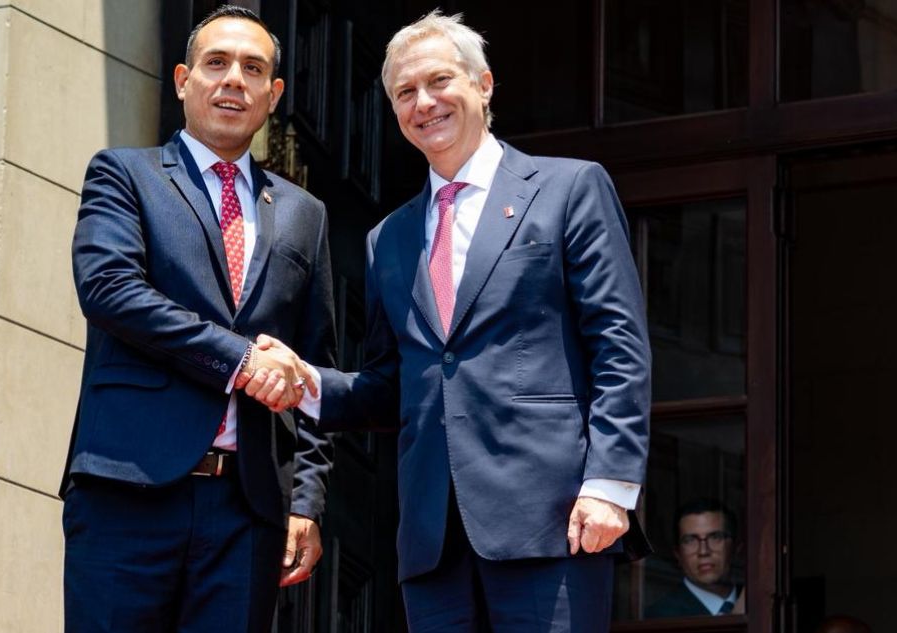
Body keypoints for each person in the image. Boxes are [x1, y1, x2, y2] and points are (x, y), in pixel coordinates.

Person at [244, 10, 652, 631]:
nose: (424, 103)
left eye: (439, 81)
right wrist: (309, 383)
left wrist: (610, 484)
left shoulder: (569, 188)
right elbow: (394, 384)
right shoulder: (389, 237)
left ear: (483, 85)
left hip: (553, 520)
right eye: (405, 92)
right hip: (433, 542)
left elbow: (619, 345)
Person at [60, 6, 335, 632]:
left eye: (253, 69)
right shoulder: (124, 174)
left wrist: (306, 500)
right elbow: (109, 289)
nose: (234, 79)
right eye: (217, 63)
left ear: (274, 95)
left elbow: (314, 365)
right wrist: (241, 359)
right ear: (183, 81)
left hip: (247, 509)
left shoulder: (305, 214)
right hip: (127, 490)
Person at [646, 499, 744, 618]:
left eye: (715, 537)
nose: (703, 551)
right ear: (677, 554)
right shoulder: (659, 617)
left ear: (736, 547)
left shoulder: (755, 600)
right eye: (690, 540)